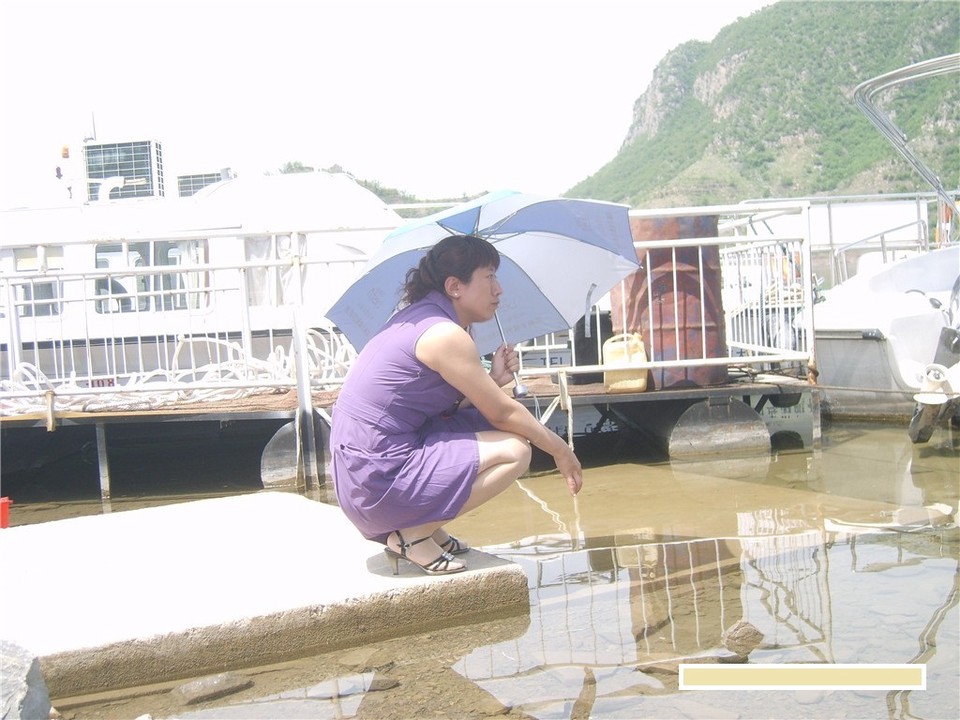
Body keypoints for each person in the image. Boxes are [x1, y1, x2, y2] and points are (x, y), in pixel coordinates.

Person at [330, 234, 583, 576]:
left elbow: (446, 407)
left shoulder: (419, 319)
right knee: (515, 450)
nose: (499, 290)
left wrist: (493, 380)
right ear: (454, 286)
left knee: (486, 423)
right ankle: (413, 535)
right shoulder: (444, 335)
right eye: (489, 277)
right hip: (378, 478)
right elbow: (503, 412)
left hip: (362, 477)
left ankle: (427, 526)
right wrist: (560, 450)